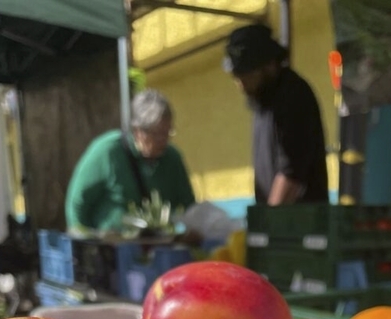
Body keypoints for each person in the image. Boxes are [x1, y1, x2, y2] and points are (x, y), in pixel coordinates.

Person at [224, 23, 329, 205]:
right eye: (237, 78)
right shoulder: (264, 100)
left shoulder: (293, 95)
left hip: (301, 223)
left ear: (269, 64)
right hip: (278, 220)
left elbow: (291, 174)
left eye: (246, 76)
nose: (241, 86)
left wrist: (268, 223)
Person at [65, 89, 196, 233]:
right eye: (156, 134)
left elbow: (190, 206)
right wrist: (83, 245)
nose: (163, 140)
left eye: (168, 132)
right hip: (110, 248)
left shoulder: (173, 158)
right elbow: (78, 203)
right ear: (137, 131)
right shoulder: (107, 151)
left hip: (159, 246)